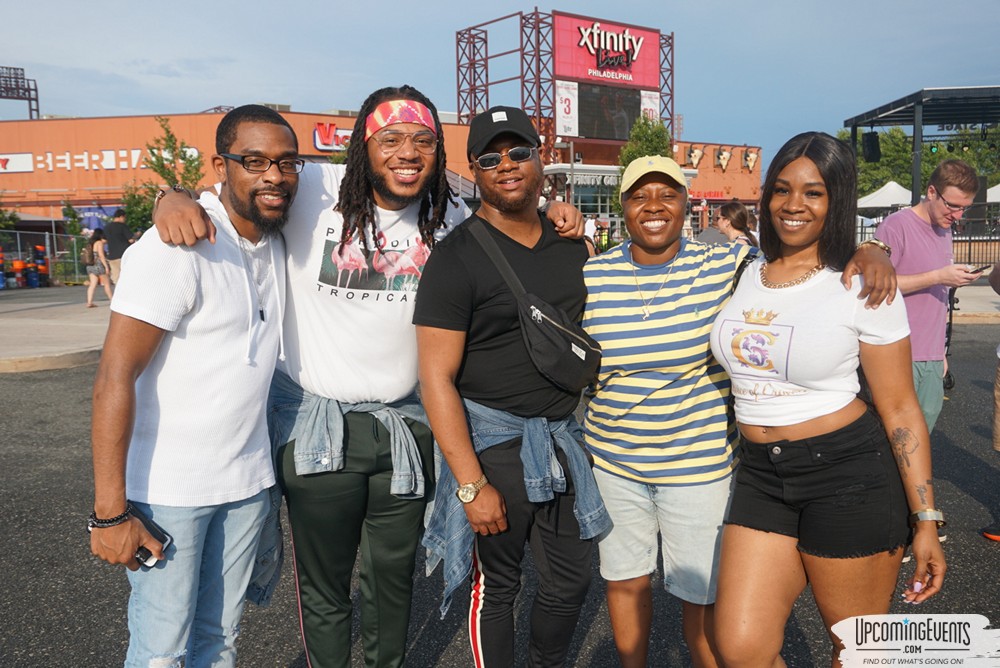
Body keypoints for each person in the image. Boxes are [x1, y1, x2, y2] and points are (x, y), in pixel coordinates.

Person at [152, 86, 584, 668]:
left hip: (405, 427)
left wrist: (558, 212)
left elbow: (511, 214)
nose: (408, 152)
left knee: (392, 582)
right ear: (363, 147)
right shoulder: (316, 192)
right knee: (326, 590)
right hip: (317, 424)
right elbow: (237, 192)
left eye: (423, 141)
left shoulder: (452, 213)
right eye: (391, 139)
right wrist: (174, 195)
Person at [581, 155, 897, 668]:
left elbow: (802, 250)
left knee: (703, 598)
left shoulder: (727, 264)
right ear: (623, 206)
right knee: (624, 583)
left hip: (698, 463)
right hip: (614, 460)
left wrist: (871, 245)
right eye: (640, 195)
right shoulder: (592, 273)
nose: (654, 206)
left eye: (668, 194)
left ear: (688, 206)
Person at [709, 131, 946, 667]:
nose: (794, 205)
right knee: (740, 647)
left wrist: (927, 519)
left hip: (848, 476)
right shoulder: (747, 271)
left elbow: (902, 409)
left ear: (836, 200)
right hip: (761, 475)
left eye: (814, 193)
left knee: (856, 653)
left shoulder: (863, 284)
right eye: (782, 190)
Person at [89, 104, 298, 667]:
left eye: (286, 162)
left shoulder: (274, 237)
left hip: (247, 485)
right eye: (253, 161)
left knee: (219, 642)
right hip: (169, 494)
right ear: (220, 165)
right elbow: (114, 373)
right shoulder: (174, 247)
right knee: (161, 652)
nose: (273, 175)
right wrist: (109, 514)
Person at [415, 105, 611, 668]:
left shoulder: (574, 247)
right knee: (498, 587)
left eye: (519, 152)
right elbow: (435, 377)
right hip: (493, 444)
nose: (507, 166)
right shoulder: (455, 257)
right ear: (474, 170)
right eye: (491, 158)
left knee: (570, 582)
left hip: (562, 440)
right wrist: (471, 486)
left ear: (540, 159)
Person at [874, 159, 981, 434]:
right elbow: (876, 285)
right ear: (932, 192)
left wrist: (940, 351)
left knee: (919, 442)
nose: (957, 215)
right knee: (895, 442)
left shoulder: (944, 229)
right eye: (953, 205)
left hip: (932, 356)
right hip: (898, 354)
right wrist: (938, 276)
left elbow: (937, 296)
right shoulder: (894, 226)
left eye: (964, 208)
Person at [103, 208, 133, 284]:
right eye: (124, 217)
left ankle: (118, 294)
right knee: (127, 277)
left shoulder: (107, 227)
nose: (125, 219)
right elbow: (131, 240)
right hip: (124, 255)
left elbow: (104, 241)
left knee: (116, 278)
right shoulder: (122, 226)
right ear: (121, 217)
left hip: (112, 256)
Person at [85, 228, 113, 307]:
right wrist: (106, 266)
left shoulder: (90, 243)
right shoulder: (99, 243)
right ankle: (112, 300)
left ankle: (89, 302)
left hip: (90, 265)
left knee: (92, 284)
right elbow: (101, 255)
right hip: (99, 265)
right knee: (107, 284)